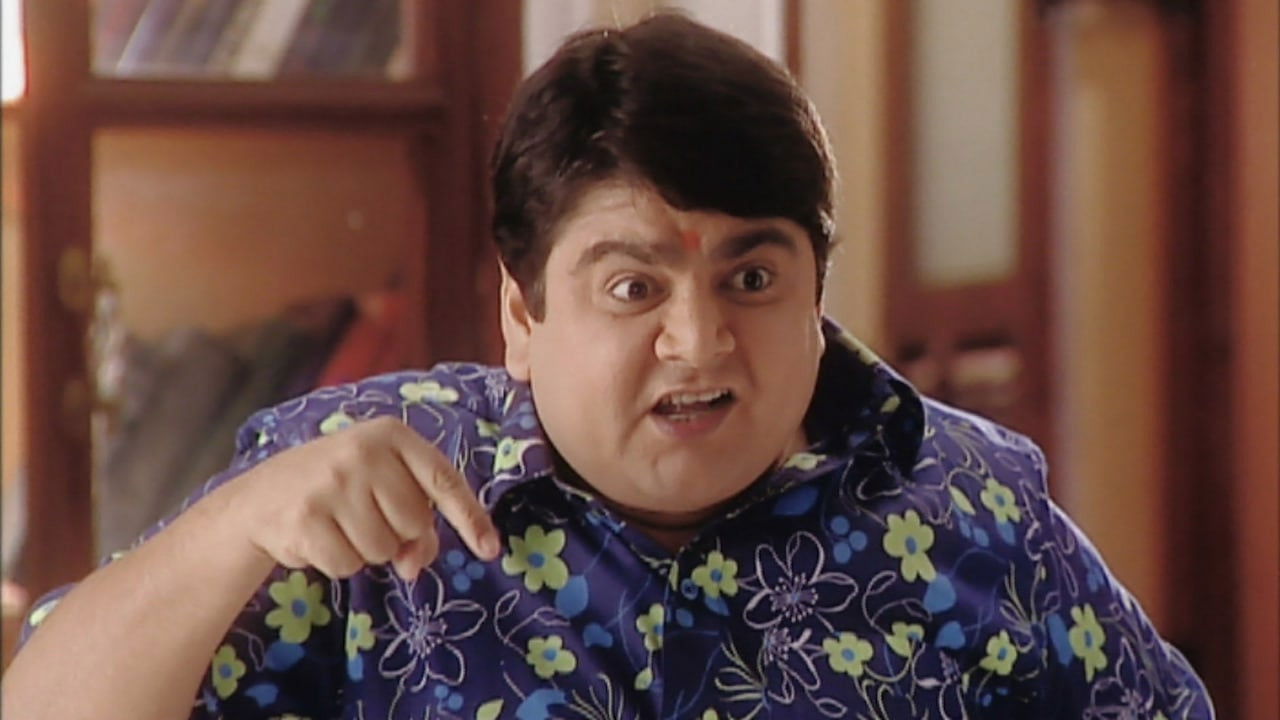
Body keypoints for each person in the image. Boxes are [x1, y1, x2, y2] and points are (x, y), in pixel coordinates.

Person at [4, 13, 1212, 720]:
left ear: (815, 291)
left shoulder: (975, 508)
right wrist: (229, 532)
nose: (699, 342)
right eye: (633, 289)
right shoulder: (368, 494)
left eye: (751, 278)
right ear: (520, 315)